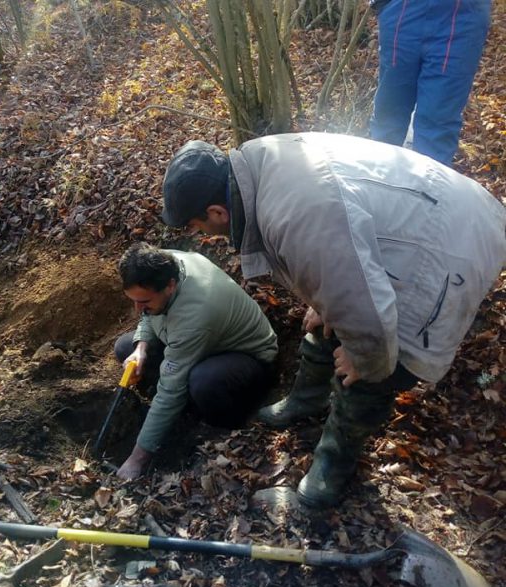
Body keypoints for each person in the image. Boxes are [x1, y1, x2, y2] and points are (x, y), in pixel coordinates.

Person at [160, 135, 506, 508]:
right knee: (326, 322)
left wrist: (362, 357)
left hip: (449, 243)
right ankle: (307, 402)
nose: (201, 235)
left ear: (217, 213)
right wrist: (326, 303)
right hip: (420, 219)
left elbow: (364, 313)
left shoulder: (295, 214)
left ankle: (334, 463)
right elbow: (338, 256)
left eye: (197, 226)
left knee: (376, 369)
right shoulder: (261, 165)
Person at [114, 242, 278, 480]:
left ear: (170, 286)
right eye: (134, 300)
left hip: (247, 359)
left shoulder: (195, 314)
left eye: (145, 302)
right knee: (125, 347)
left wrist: (136, 459)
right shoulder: (161, 264)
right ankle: (179, 397)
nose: (138, 308)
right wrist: (141, 348)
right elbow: (149, 316)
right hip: (199, 341)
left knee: (203, 383)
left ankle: (214, 424)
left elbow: (170, 391)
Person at [369, 0, 492, 166]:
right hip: (402, 11)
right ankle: (378, 183)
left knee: (437, 124)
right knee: (389, 114)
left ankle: (426, 189)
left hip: (461, 18)